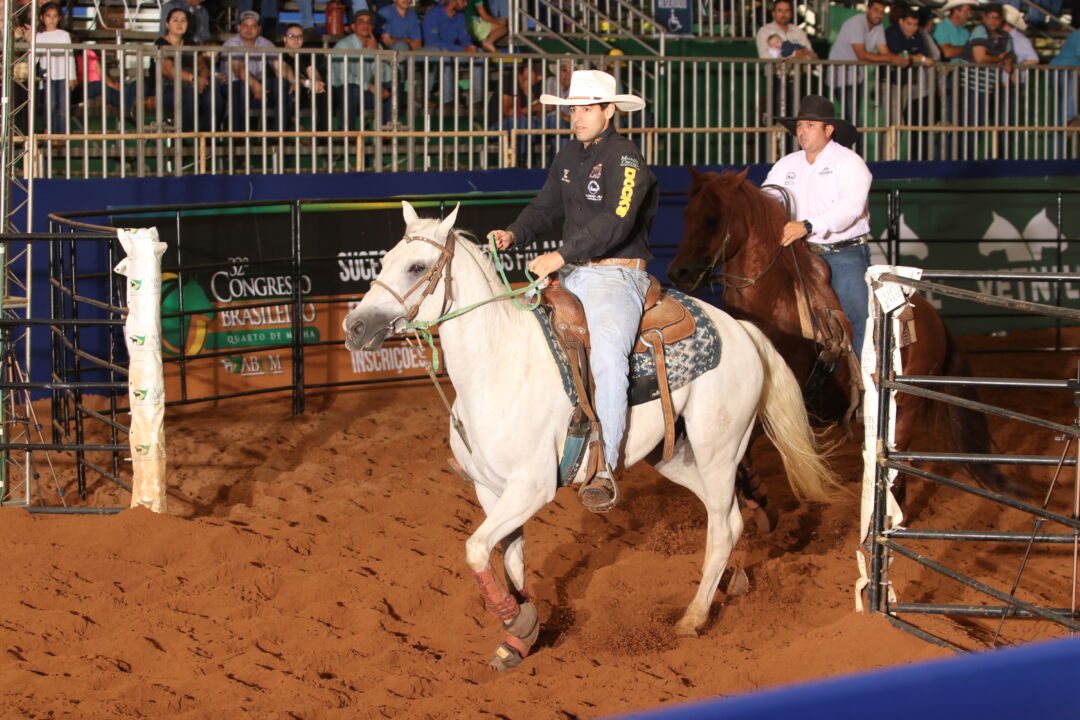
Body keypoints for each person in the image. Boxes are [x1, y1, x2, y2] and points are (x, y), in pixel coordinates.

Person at [486, 70, 657, 512]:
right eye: (572, 109)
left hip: (617, 276)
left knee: (607, 358)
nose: (576, 117)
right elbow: (546, 207)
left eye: (585, 109)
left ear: (609, 111)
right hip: (576, 271)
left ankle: (606, 463)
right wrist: (514, 232)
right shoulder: (568, 156)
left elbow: (615, 223)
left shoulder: (626, 159)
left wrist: (560, 257)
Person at [763, 95, 872, 360]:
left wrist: (809, 225)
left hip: (842, 253)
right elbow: (768, 198)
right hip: (800, 254)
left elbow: (852, 206)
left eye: (810, 125)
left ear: (828, 129)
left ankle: (871, 383)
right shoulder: (786, 165)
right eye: (800, 125)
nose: (802, 131)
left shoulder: (848, 162)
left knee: (857, 316)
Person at [827, 0, 908, 133]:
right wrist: (893, 58)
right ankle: (856, 150)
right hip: (840, 75)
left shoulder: (878, 26)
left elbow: (885, 52)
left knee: (853, 116)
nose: (879, 15)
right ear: (867, 9)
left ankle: (853, 149)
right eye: (876, 10)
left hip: (857, 77)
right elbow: (862, 55)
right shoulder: (856, 23)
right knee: (853, 118)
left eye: (882, 12)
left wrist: (896, 58)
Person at [150, 8, 216, 131]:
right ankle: (181, 139)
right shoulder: (161, 43)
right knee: (189, 95)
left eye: (183, 20)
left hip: (191, 86)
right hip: (166, 90)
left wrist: (203, 80)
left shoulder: (190, 43)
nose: (180, 24)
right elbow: (168, 70)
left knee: (212, 95)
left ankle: (206, 139)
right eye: (175, 20)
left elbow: (202, 66)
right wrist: (194, 79)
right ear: (167, 24)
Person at [884, 4, 934, 155]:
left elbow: (925, 55)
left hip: (904, 83)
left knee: (897, 124)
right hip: (889, 82)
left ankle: (891, 158)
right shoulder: (892, 32)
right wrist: (919, 58)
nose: (912, 28)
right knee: (894, 123)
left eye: (915, 24)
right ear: (901, 22)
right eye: (909, 24)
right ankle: (887, 160)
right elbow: (902, 56)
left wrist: (918, 57)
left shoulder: (916, 34)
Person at [331, 11, 392, 128]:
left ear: (372, 27)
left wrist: (377, 52)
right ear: (353, 27)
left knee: (393, 88)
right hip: (339, 92)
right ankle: (347, 135)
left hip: (365, 92)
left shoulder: (375, 45)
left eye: (369, 22)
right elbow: (344, 77)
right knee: (352, 88)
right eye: (361, 22)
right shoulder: (344, 45)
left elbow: (387, 76)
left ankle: (386, 131)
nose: (366, 25)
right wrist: (370, 86)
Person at [221, 11, 278, 130]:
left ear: (259, 29)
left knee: (280, 85)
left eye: (253, 26)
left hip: (256, 85)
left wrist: (293, 81)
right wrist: (255, 85)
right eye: (245, 25)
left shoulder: (265, 43)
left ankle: (279, 134)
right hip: (231, 85)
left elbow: (279, 65)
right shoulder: (231, 43)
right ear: (238, 27)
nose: (249, 29)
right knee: (242, 87)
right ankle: (237, 135)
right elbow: (237, 68)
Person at [421, 0, 485, 106]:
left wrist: (470, 47)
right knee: (443, 54)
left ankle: (476, 100)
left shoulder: (459, 16)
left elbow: (464, 39)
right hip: (433, 54)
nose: (465, 4)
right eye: (463, 1)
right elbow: (431, 42)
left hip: (452, 51)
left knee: (479, 54)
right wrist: (461, 49)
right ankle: (448, 100)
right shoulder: (432, 14)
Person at [276, 23, 328, 132]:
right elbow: (283, 72)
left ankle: (322, 137)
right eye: (291, 36)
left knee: (322, 93)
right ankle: (279, 137)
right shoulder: (278, 55)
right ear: (284, 39)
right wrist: (306, 83)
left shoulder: (306, 55)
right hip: (284, 93)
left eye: (299, 36)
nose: (296, 39)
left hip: (304, 95)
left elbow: (314, 75)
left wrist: (316, 83)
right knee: (287, 89)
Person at [35, 2, 77, 138]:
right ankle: (50, 131)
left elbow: (70, 56)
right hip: (48, 76)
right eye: (48, 16)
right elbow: (35, 57)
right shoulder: (39, 36)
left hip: (63, 75)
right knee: (50, 105)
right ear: (42, 17)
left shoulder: (64, 35)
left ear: (59, 18)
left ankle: (61, 135)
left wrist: (72, 76)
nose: (51, 19)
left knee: (63, 107)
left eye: (54, 16)